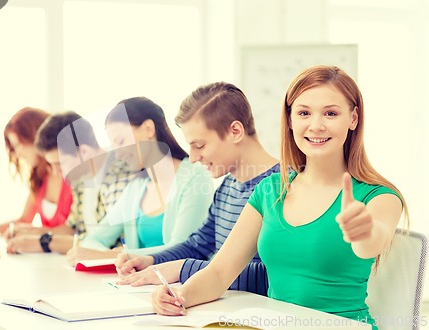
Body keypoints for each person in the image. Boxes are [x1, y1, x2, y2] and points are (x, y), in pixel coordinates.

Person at [151, 66, 408, 330]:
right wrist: (180, 296)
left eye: (331, 113)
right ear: (290, 119)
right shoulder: (270, 190)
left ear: (353, 119)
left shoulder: (380, 196)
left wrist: (363, 231)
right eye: (304, 113)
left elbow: (372, 243)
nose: (316, 125)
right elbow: (219, 273)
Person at [114, 82, 279, 296]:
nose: (192, 158)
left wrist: (182, 269)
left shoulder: (284, 187)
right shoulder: (228, 186)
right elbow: (199, 245)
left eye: (199, 146)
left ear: (235, 131)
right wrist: (151, 261)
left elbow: (274, 274)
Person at [66, 97, 215, 264]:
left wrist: (115, 256)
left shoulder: (195, 179)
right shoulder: (135, 189)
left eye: (121, 141)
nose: (117, 152)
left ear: (148, 128)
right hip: (140, 286)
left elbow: (183, 248)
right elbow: (94, 240)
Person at [6, 111, 135, 254]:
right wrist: (34, 232)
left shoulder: (120, 175)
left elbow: (109, 243)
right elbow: (72, 227)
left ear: (84, 152)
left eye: (59, 164)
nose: (55, 172)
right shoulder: (80, 178)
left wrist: (44, 241)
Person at [0, 107, 73, 234]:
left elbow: (76, 230)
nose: (17, 153)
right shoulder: (39, 179)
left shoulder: (72, 171)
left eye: (18, 145)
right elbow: (24, 221)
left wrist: (35, 233)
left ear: (35, 136)